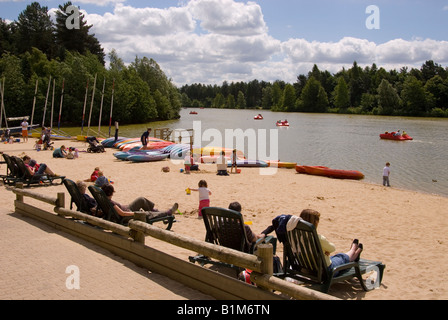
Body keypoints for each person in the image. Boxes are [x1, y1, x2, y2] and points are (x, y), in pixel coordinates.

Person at [298, 209, 363, 276]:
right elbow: (332, 248)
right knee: (341, 257)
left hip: (307, 268)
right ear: (315, 222)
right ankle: (353, 252)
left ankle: (353, 252)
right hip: (324, 271)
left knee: (334, 257)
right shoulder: (318, 239)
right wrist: (325, 250)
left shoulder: (296, 236)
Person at [101, 184, 178, 223]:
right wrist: (135, 213)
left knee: (141, 199)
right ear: (110, 193)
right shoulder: (110, 203)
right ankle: (168, 213)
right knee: (147, 214)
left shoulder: (103, 200)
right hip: (126, 215)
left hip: (127, 208)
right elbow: (123, 213)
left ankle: (156, 211)